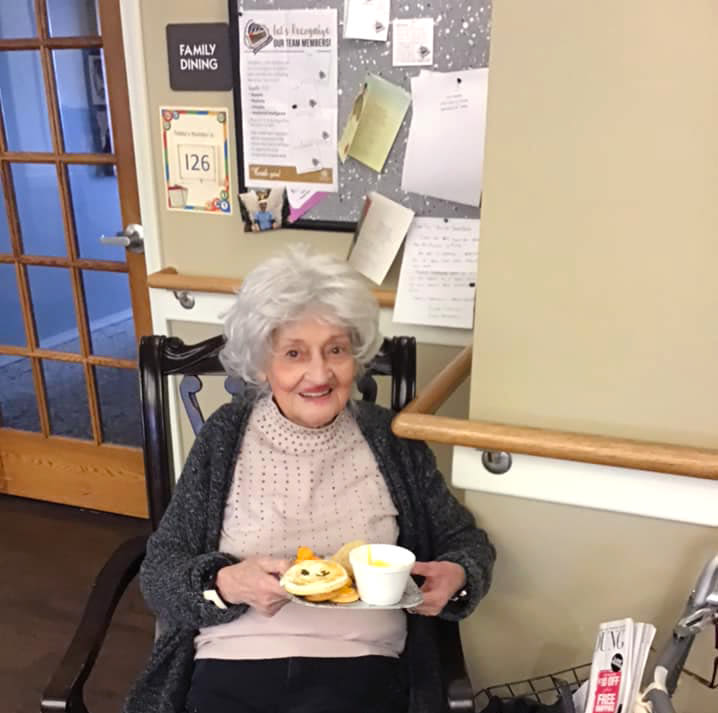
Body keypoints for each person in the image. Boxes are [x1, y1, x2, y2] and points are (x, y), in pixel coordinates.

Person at [124, 245, 496, 713]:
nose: (318, 374)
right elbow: (158, 573)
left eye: (335, 350)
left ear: (355, 355)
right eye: (294, 353)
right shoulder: (224, 437)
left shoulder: (391, 438)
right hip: (235, 664)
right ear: (263, 364)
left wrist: (459, 575)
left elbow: (466, 540)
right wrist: (225, 584)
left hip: (364, 666)